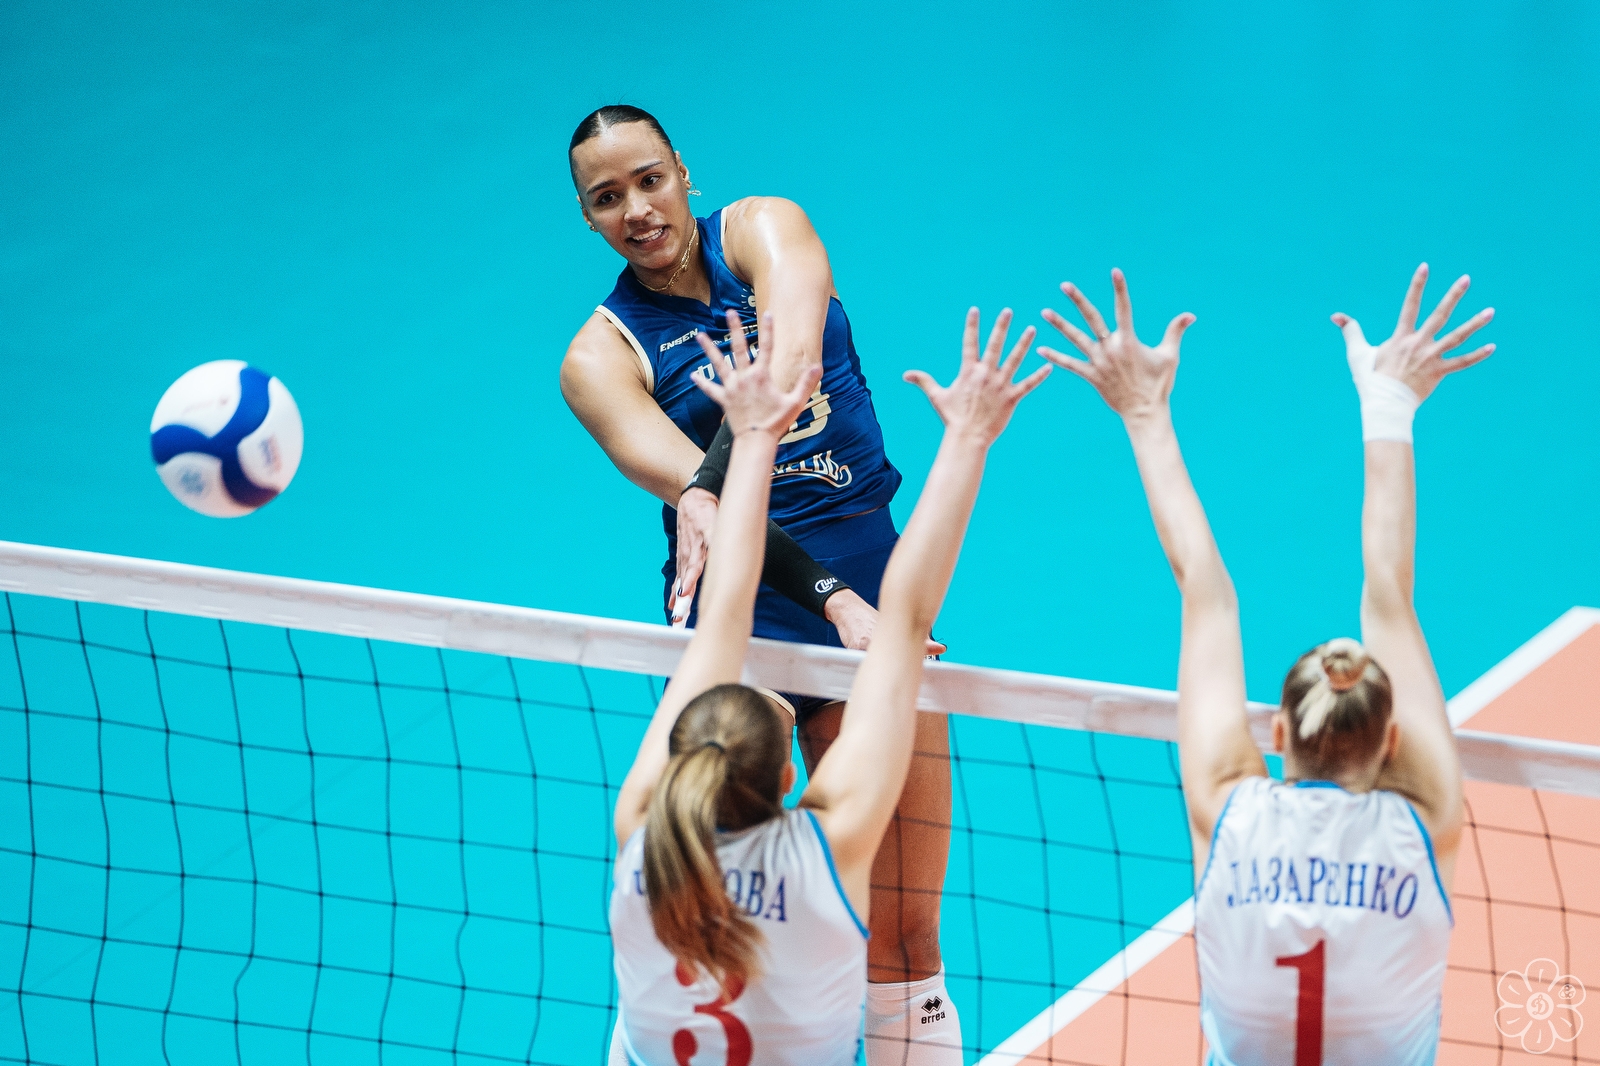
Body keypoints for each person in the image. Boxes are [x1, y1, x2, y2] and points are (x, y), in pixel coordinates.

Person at [562, 104, 965, 1057]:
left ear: (682, 171)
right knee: (708, 918)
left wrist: (718, 482)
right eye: (607, 198)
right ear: (588, 217)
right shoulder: (598, 359)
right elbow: (717, 517)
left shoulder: (764, 228)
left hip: (864, 577)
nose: (637, 211)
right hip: (742, 621)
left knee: (905, 944)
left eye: (649, 180)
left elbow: (788, 365)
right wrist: (832, 598)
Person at [1039, 265, 1493, 1065]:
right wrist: (1388, 404)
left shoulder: (1229, 813)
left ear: (1277, 731)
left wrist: (1145, 413)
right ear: (1391, 742)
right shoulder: (1421, 824)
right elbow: (1389, 598)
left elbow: (1204, 593)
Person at [609, 308, 1047, 1064]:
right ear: (791, 778)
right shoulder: (820, 861)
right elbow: (905, 622)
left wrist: (747, 444)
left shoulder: (640, 839)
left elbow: (722, 618)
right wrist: (968, 440)